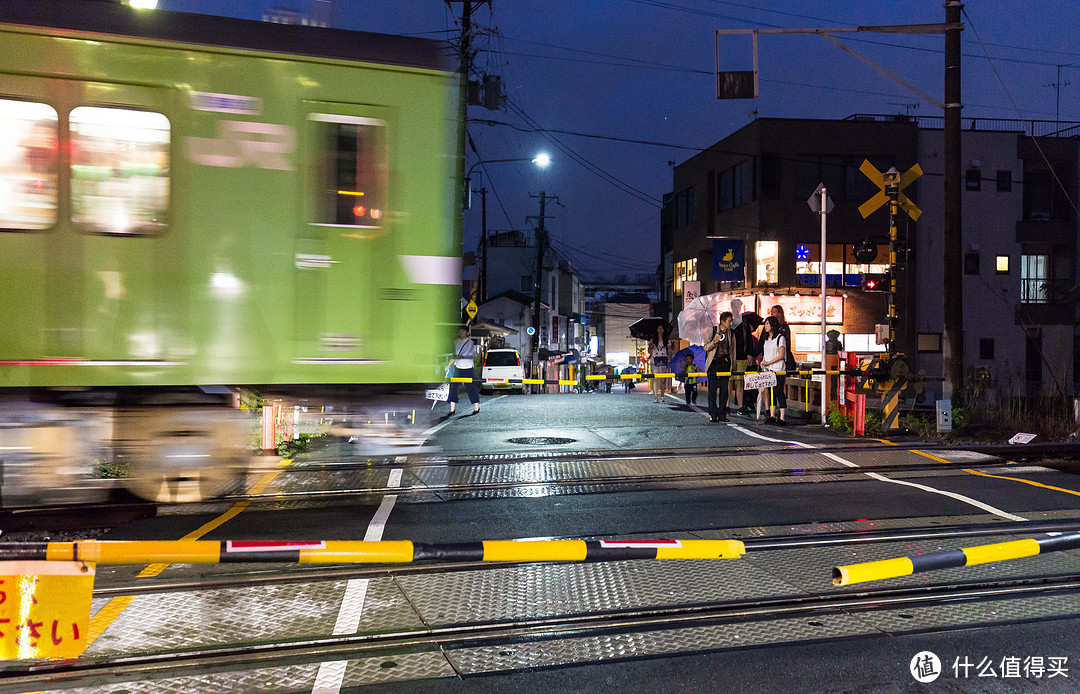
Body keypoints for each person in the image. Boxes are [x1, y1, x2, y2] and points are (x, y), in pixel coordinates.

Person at [703, 311, 736, 422]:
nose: (731, 323)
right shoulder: (711, 331)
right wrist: (714, 342)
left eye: (731, 321)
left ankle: (722, 413)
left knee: (724, 390)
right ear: (722, 321)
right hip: (714, 362)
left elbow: (732, 350)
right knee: (712, 389)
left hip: (725, 362)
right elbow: (705, 347)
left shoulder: (731, 333)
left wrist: (733, 364)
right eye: (729, 321)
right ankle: (713, 414)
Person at [760, 315, 789, 425]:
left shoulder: (780, 338)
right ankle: (772, 415)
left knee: (778, 391)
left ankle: (782, 417)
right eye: (765, 324)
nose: (766, 326)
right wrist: (763, 362)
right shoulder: (767, 339)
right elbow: (766, 354)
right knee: (771, 392)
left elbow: (781, 355)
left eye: (768, 324)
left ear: (773, 325)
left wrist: (768, 362)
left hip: (778, 369)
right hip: (768, 369)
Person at [447, 325, 480, 415]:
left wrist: (458, 357)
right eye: (460, 331)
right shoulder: (457, 341)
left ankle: (476, 407)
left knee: (471, 387)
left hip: (468, 367)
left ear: (466, 332)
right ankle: (452, 409)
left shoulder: (470, 342)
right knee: (454, 388)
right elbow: (457, 354)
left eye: (463, 331)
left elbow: (464, 354)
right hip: (458, 367)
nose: (461, 332)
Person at [770, 304, 797, 374]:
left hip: (782, 356)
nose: (772, 314)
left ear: (779, 313)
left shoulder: (784, 327)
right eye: (771, 312)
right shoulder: (770, 327)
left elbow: (787, 344)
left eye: (774, 312)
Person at [648, 324, 671, 403]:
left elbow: (669, 351)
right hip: (655, 361)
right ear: (656, 330)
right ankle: (656, 397)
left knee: (663, 380)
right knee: (655, 379)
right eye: (659, 328)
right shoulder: (652, 340)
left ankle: (662, 396)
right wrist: (650, 346)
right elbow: (649, 352)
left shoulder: (666, 340)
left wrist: (669, 360)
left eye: (661, 328)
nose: (660, 330)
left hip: (664, 360)